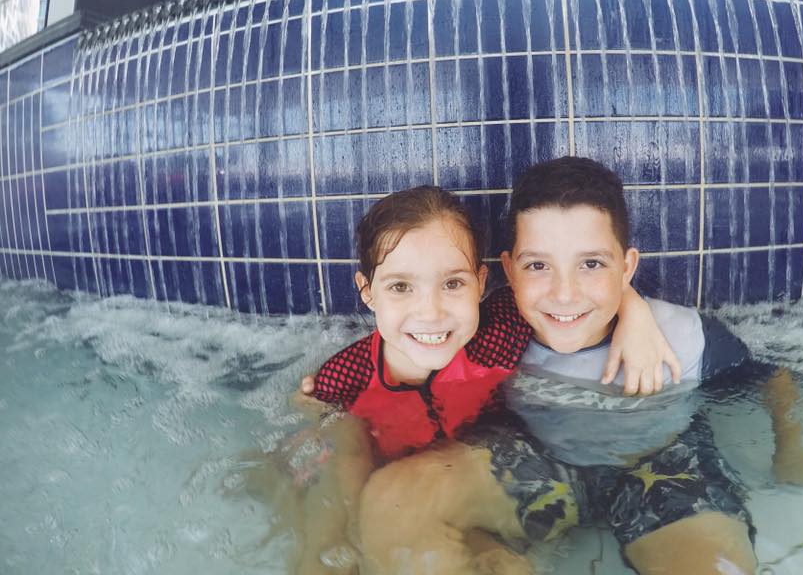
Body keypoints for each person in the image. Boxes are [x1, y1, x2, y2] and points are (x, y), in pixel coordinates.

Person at [357, 157, 803, 575]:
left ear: (627, 268)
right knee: (393, 502)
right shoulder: (487, 329)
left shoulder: (684, 338)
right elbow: (400, 354)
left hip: (660, 461)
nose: (564, 294)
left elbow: (771, 376)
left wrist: (790, 446)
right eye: (538, 266)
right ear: (508, 268)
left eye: (591, 265)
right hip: (537, 459)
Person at [277, 184, 678, 574]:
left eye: (453, 284)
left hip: (471, 473)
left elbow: (567, 294)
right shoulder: (345, 378)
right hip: (400, 480)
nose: (430, 313)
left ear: (480, 284)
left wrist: (634, 310)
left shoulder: (496, 334)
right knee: (338, 542)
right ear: (367, 293)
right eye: (401, 287)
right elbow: (327, 445)